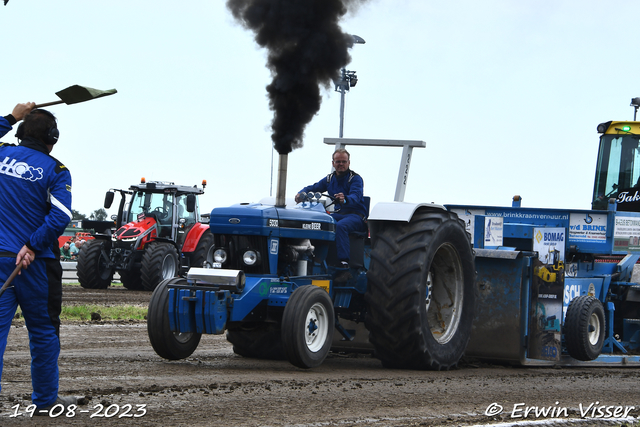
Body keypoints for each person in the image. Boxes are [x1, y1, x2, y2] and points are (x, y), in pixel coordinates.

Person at [0, 107, 77, 414]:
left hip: (1, 258)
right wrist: (32, 245)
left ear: (19, 133)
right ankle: (45, 401)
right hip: (37, 266)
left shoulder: (2, 153)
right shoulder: (57, 171)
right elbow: (61, 216)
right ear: (52, 139)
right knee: (43, 333)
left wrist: (10, 116)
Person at [295, 148, 367, 277]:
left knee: (341, 226)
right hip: (340, 214)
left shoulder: (355, 179)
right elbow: (313, 188)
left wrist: (345, 199)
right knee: (320, 223)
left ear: (349, 163)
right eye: (338, 161)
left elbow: (356, 196)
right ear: (333, 163)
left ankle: (343, 264)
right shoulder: (329, 179)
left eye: (343, 161)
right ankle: (315, 259)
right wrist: (301, 193)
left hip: (356, 216)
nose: (341, 164)